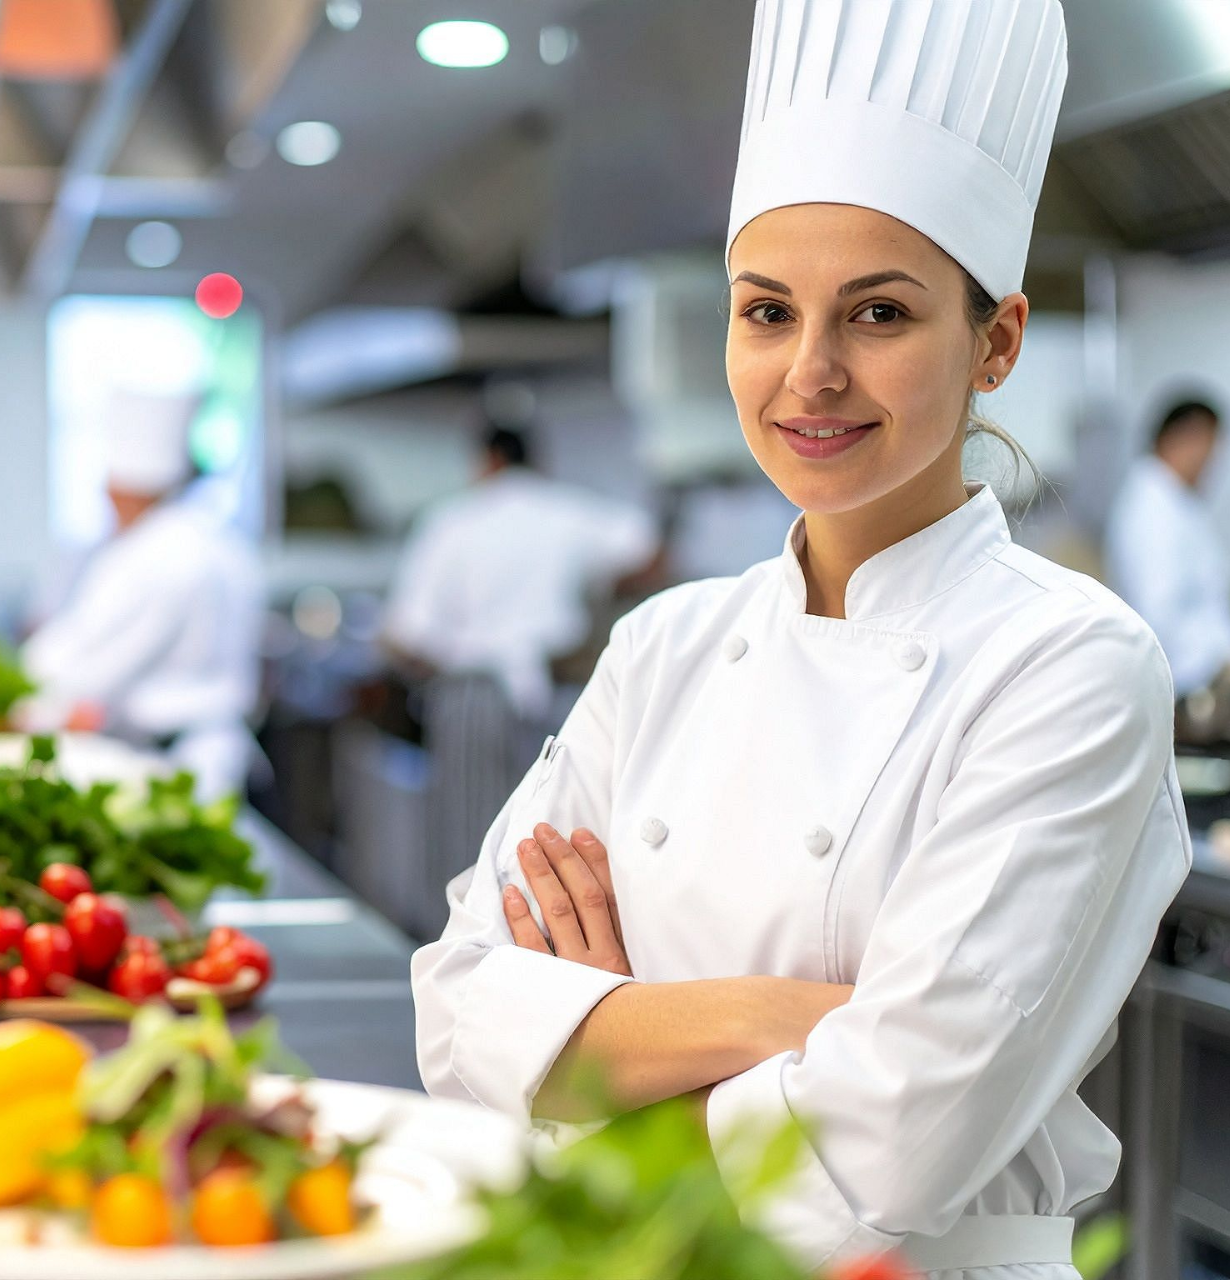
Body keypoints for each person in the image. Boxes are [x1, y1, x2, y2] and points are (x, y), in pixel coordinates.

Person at [411, 3, 1190, 1278]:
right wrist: (794, 1021)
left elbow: (887, 1150)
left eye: (879, 315)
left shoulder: (1072, 667)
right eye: (766, 311)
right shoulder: (664, 643)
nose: (809, 373)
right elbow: (456, 1014)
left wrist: (602, 1044)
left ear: (994, 342)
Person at [20, 388, 265, 800]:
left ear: (126, 488)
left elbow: (85, 665)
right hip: (218, 753)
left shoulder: (151, 554)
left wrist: (27, 704)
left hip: (174, 764)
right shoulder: (221, 541)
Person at [381, 426, 659, 718]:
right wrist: (601, 589)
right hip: (564, 688)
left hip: (472, 695)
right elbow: (652, 553)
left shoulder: (451, 521)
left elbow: (406, 631)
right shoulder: (567, 510)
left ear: (490, 460)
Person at [1105, 399, 1230, 735]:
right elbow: (1157, 615)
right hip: (1192, 682)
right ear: (1179, 438)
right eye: (1208, 445)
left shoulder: (1177, 502)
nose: (1211, 461)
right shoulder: (1150, 509)